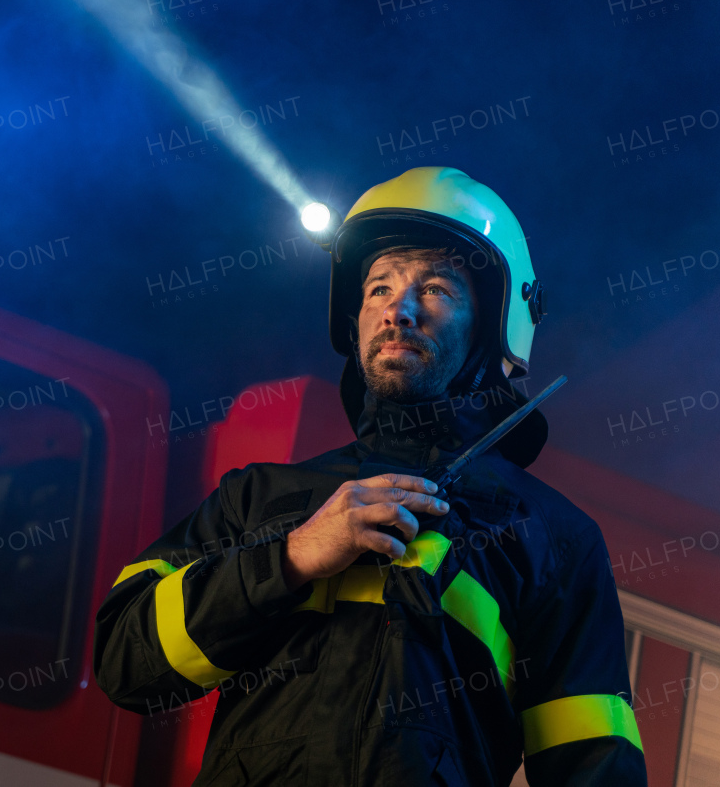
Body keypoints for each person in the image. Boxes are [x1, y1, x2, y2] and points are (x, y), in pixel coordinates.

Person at [93, 167, 646, 785]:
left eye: (435, 288)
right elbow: (123, 663)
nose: (399, 311)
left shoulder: (553, 539)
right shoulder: (256, 498)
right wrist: (293, 557)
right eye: (378, 288)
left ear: (495, 327)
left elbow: (594, 767)